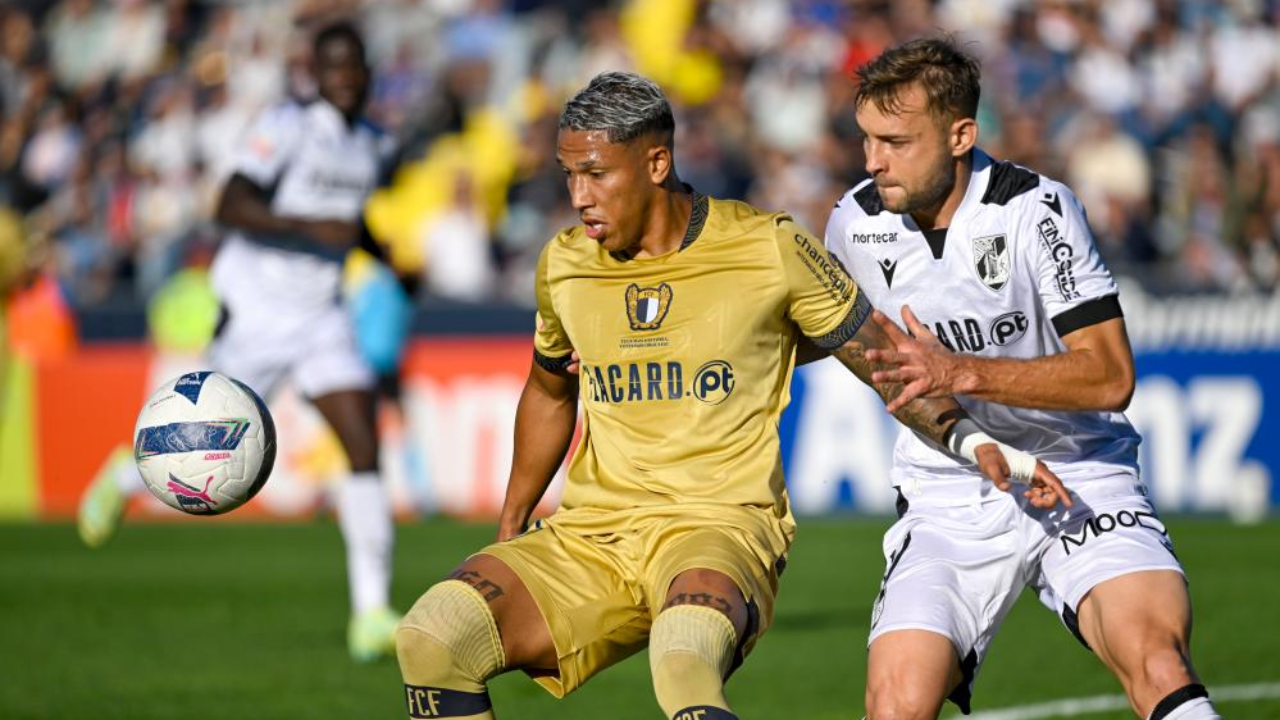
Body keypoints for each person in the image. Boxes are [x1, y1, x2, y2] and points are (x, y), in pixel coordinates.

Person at [393, 71, 1069, 720]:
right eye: (570, 174)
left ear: (656, 163)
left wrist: (976, 442)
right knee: (434, 636)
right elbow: (547, 390)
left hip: (720, 530)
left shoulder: (767, 248)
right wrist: (513, 523)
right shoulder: (565, 263)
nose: (578, 195)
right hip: (593, 536)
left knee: (683, 658)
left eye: (596, 174)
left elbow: (885, 359)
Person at [821, 38, 1221, 720]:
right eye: (866, 140)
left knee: (1156, 661)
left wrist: (960, 369)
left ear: (961, 135)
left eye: (895, 141)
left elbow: (1109, 375)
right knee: (896, 704)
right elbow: (894, 380)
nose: (873, 162)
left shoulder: (1038, 209)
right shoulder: (854, 225)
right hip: (950, 491)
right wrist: (986, 443)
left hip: (1079, 472)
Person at [76, 22, 403, 663]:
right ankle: (123, 475)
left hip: (321, 317)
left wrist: (382, 256)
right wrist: (312, 227)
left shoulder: (375, 143)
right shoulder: (285, 128)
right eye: (330, 67)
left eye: (352, 67)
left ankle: (370, 613)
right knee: (202, 438)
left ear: (365, 72)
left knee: (362, 438)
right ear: (315, 74)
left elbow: (349, 217)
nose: (343, 78)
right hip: (256, 309)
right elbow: (229, 204)